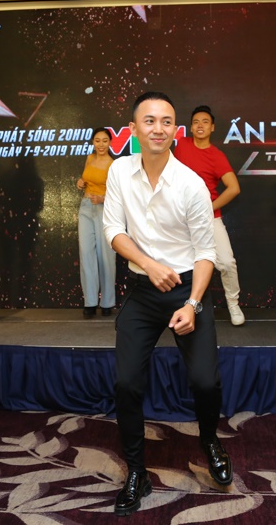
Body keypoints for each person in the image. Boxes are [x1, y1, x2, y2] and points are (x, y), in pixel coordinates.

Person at [103, 92, 232, 516]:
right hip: (143, 290)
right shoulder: (119, 171)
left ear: (174, 130)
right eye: (149, 120)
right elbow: (113, 229)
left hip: (188, 289)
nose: (158, 129)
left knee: (205, 382)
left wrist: (192, 304)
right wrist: (148, 264)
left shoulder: (192, 183)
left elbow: (206, 253)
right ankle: (136, 472)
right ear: (133, 129)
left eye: (166, 122)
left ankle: (210, 440)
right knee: (126, 384)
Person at [174, 106, 246, 326]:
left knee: (226, 262)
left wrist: (208, 208)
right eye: (196, 121)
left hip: (209, 218)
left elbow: (234, 188)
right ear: (190, 127)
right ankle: (179, 307)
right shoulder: (181, 145)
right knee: (177, 263)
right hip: (179, 218)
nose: (200, 125)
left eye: (205, 122)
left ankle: (233, 304)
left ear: (212, 127)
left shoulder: (216, 156)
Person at [76, 127, 116, 318]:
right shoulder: (90, 158)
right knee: (86, 254)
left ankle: (107, 302)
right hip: (85, 207)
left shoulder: (113, 165)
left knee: (105, 256)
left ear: (110, 143)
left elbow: (118, 194)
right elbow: (85, 178)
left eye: (105, 141)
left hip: (103, 209)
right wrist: (80, 182)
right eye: (97, 140)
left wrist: (102, 199)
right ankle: (90, 302)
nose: (101, 144)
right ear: (93, 142)